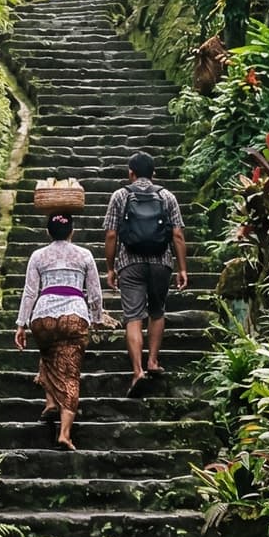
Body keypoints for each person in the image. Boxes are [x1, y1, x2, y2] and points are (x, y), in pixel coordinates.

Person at [13, 213, 103, 451]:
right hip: (74, 314)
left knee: (49, 354)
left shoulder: (38, 256)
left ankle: (51, 402)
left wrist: (21, 324)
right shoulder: (84, 255)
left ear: (48, 232)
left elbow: (30, 292)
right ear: (72, 231)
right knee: (70, 373)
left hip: (43, 316)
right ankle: (64, 434)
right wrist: (97, 318)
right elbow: (94, 293)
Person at [103, 152, 188, 395]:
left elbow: (111, 235)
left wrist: (110, 268)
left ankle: (137, 370)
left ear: (130, 173)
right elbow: (177, 235)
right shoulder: (167, 196)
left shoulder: (120, 195)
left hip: (130, 263)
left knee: (133, 316)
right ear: (154, 174)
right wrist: (182, 268)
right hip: (161, 262)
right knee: (157, 311)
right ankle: (152, 361)